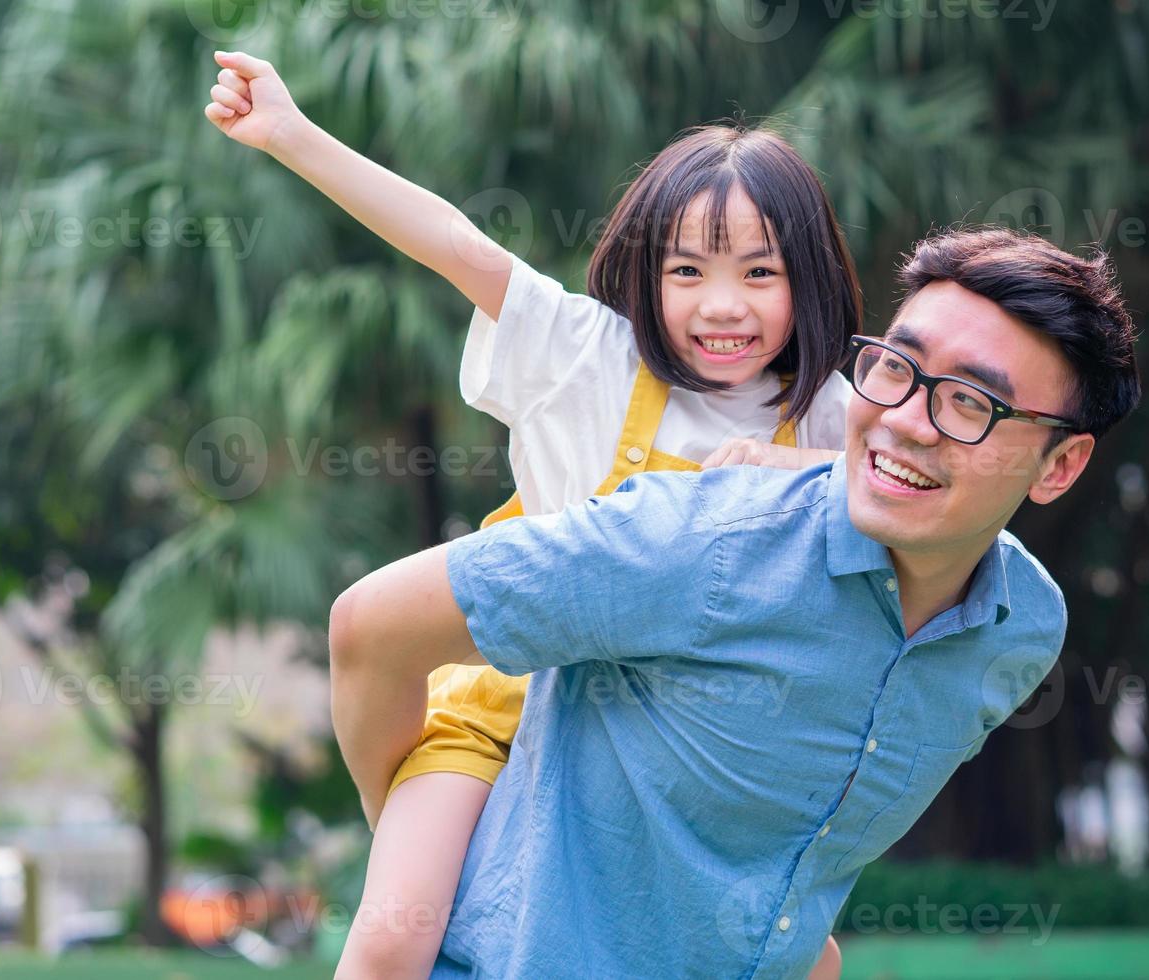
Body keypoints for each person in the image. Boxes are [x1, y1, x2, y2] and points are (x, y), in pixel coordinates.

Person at [327, 226, 1142, 977]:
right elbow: (372, 627)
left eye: (970, 401)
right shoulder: (697, 540)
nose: (905, 422)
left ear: (1059, 467)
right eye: (896, 367)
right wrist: (400, 814)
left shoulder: (1019, 626)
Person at [203, 50, 861, 977]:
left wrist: (797, 476)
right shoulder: (585, 355)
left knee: (808, 962)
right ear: (646, 275)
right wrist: (292, 135)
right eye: (687, 271)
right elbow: (453, 244)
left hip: (675, 754)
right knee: (395, 935)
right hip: (501, 712)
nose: (724, 306)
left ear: (810, 278)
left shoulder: (834, 416)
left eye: (761, 272)